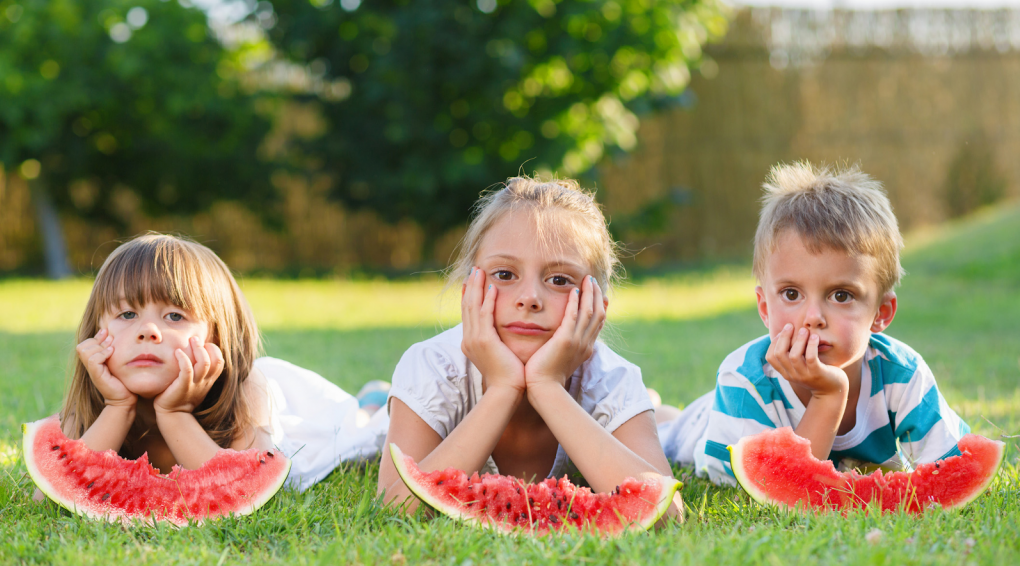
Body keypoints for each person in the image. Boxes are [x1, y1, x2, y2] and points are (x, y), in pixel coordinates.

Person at [376, 176, 682, 519]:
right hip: (391, 415)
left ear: (596, 309)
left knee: (668, 424)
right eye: (505, 275)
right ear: (468, 294)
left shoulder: (611, 379)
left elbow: (666, 511)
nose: (530, 299)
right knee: (364, 427)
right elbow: (396, 505)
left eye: (559, 280)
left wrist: (546, 386)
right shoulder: (432, 367)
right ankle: (373, 399)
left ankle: (658, 408)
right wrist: (504, 387)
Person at [659, 162, 970, 485]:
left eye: (841, 295)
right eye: (792, 293)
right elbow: (780, 491)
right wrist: (828, 395)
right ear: (765, 307)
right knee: (668, 429)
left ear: (881, 313)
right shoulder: (743, 384)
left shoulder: (902, 376)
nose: (813, 318)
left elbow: (951, 467)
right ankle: (659, 411)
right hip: (707, 421)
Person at [58, 233, 383, 492]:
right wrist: (118, 406)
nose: (147, 331)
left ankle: (373, 399)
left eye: (175, 315)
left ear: (217, 337)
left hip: (295, 417)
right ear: (96, 331)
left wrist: (174, 414)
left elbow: (247, 489)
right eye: (127, 314)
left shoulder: (247, 390)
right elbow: (49, 494)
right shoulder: (92, 402)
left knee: (360, 430)